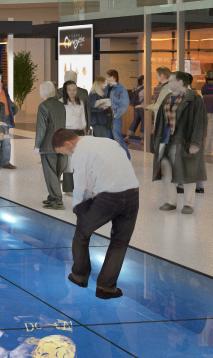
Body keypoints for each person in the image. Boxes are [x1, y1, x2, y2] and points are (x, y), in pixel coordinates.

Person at [53, 129, 140, 300]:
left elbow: (81, 186)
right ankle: (106, 288)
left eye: (64, 152)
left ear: (67, 144)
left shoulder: (80, 152)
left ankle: (79, 275)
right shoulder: (108, 141)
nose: (68, 155)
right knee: (119, 242)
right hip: (133, 193)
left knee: (82, 234)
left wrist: (78, 208)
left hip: (110, 196)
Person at [151, 71, 206, 215]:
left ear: (181, 82)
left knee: (188, 172)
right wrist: (156, 139)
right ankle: (170, 201)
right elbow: (161, 120)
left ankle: (188, 204)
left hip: (184, 141)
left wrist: (196, 143)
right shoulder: (168, 97)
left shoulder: (194, 99)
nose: (168, 83)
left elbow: (200, 122)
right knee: (166, 172)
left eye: (171, 81)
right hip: (166, 140)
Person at [34, 81, 68, 210]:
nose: (39, 91)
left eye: (40, 89)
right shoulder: (60, 105)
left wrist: (37, 145)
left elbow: (41, 127)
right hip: (61, 143)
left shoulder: (43, 106)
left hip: (48, 144)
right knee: (56, 171)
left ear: (45, 91)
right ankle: (52, 197)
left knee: (50, 173)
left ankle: (58, 201)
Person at [60, 79, 89, 194]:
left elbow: (83, 118)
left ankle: (79, 186)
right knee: (68, 162)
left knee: (79, 161)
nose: (72, 92)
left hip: (78, 133)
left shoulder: (80, 102)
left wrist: (85, 131)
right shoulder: (61, 102)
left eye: (75, 90)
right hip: (67, 132)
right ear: (66, 91)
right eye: (70, 90)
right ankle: (68, 188)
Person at [0, 70, 16, 169]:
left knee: (6, 141)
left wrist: (12, 113)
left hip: (5, 118)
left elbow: (9, 103)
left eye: (0, 79)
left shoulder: (4, 89)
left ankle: (6, 162)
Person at [105, 69, 130, 155]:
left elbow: (125, 103)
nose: (106, 78)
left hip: (115, 117)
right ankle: (113, 158)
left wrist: (117, 114)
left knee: (118, 138)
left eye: (108, 76)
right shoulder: (106, 88)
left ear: (113, 77)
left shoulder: (121, 88)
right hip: (106, 116)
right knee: (109, 139)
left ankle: (126, 158)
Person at [126, 75, 146, 142]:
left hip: (136, 107)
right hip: (142, 107)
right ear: (144, 80)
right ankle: (142, 139)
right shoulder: (145, 88)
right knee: (143, 122)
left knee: (135, 122)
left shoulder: (135, 87)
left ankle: (127, 137)